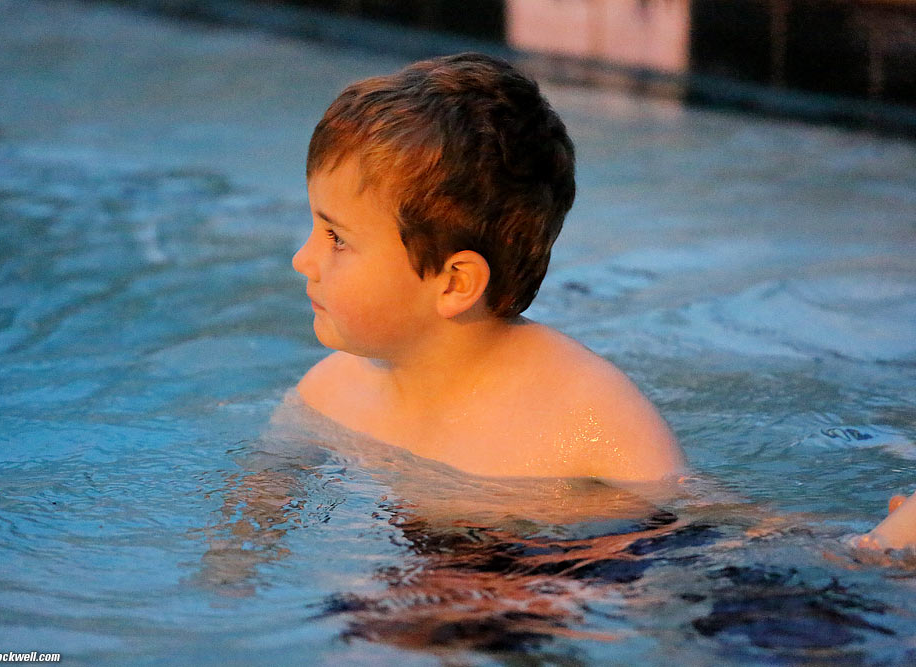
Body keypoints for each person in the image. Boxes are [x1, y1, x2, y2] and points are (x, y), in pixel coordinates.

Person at [288, 52, 685, 482]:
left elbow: (713, 527)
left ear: (455, 283)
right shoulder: (330, 394)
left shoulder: (590, 421)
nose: (302, 260)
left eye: (336, 239)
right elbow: (254, 514)